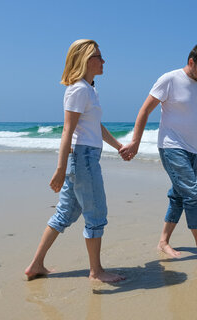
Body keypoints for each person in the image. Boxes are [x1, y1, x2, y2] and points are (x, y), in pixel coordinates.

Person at [25, 39, 125, 282]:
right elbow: (67, 131)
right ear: (86, 60)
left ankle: (36, 265)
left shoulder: (89, 89)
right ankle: (96, 271)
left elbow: (94, 126)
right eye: (99, 56)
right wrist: (60, 169)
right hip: (84, 160)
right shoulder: (79, 89)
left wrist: (119, 146)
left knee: (65, 213)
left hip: (85, 158)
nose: (103, 61)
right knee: (96, 213)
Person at [120, 44, 197, 263]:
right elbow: (145, 109)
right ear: (191, 62)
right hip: (171, 146)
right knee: (193, 195)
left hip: (193, 150)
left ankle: (163, 242)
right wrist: (135, 142)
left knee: (178, 197)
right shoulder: (170, 79)